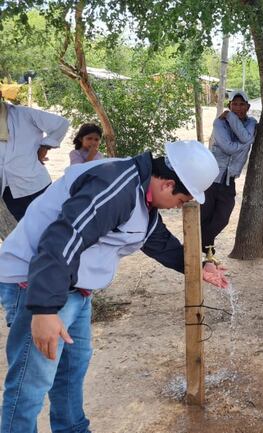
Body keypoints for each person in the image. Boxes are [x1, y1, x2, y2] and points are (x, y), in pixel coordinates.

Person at [0, 140, 228, 433]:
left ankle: (73, 429)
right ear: (168, 185)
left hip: (73, 288)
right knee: (30, 383)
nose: (177, 208)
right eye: (181, 201)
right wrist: (44, 309)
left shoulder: (141, 193)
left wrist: (198, 267)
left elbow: (155, 239)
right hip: (36, 283)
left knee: (71, 369)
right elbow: (63, 238)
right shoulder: (115, 187)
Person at [201, 89, 257, 254]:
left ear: (248, 106)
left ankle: (200, 243)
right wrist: (246, 143)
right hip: (211, 177)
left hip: (229, 179)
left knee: (222, 218)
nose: (238, 108)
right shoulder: (219, 123)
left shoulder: (251, 122)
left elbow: (246, 138)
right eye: (234, 104)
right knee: (204, 216)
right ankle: (207, 251)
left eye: (242, 104)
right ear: (229, 105)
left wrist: (231, 117)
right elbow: (228, 147)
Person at [0, 89, 70, 221]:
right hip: (8, 190)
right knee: (24, 230)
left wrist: (45, 146)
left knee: (53, 224)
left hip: (35, 183)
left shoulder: (24, 114)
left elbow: (61, 124)